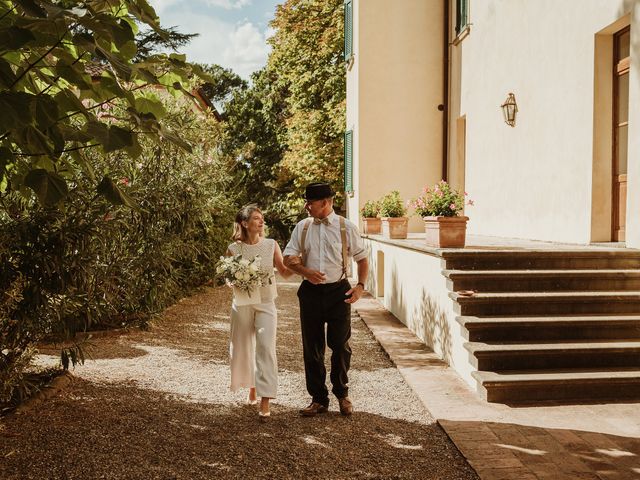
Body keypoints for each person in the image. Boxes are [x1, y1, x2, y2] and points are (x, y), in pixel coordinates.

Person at [283, 182, 369, 417]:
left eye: (310, 202)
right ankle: (319, 399)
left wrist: (360, 287)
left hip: (338, 292)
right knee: (312, 348)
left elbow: (362, 259)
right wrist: (305, 271)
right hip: (310, 293)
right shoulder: (302, 227)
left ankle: (342, 394)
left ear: (326, 203)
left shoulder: (346, 227)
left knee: (340, 345)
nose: (306, 206)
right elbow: (288, 257)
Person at [226, 204, 292, 419]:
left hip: (266, 303)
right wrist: (231, 281)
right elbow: (227, 275)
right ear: (245, 224)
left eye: (262, 217)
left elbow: (284, 271)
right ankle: (251, 387)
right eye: (256, 218)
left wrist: (302, 264)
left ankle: (265, 400)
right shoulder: (233, 249)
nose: (261, 221)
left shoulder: (271, 245)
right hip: (242, 303)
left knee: (265, 347)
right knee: (243, 349)